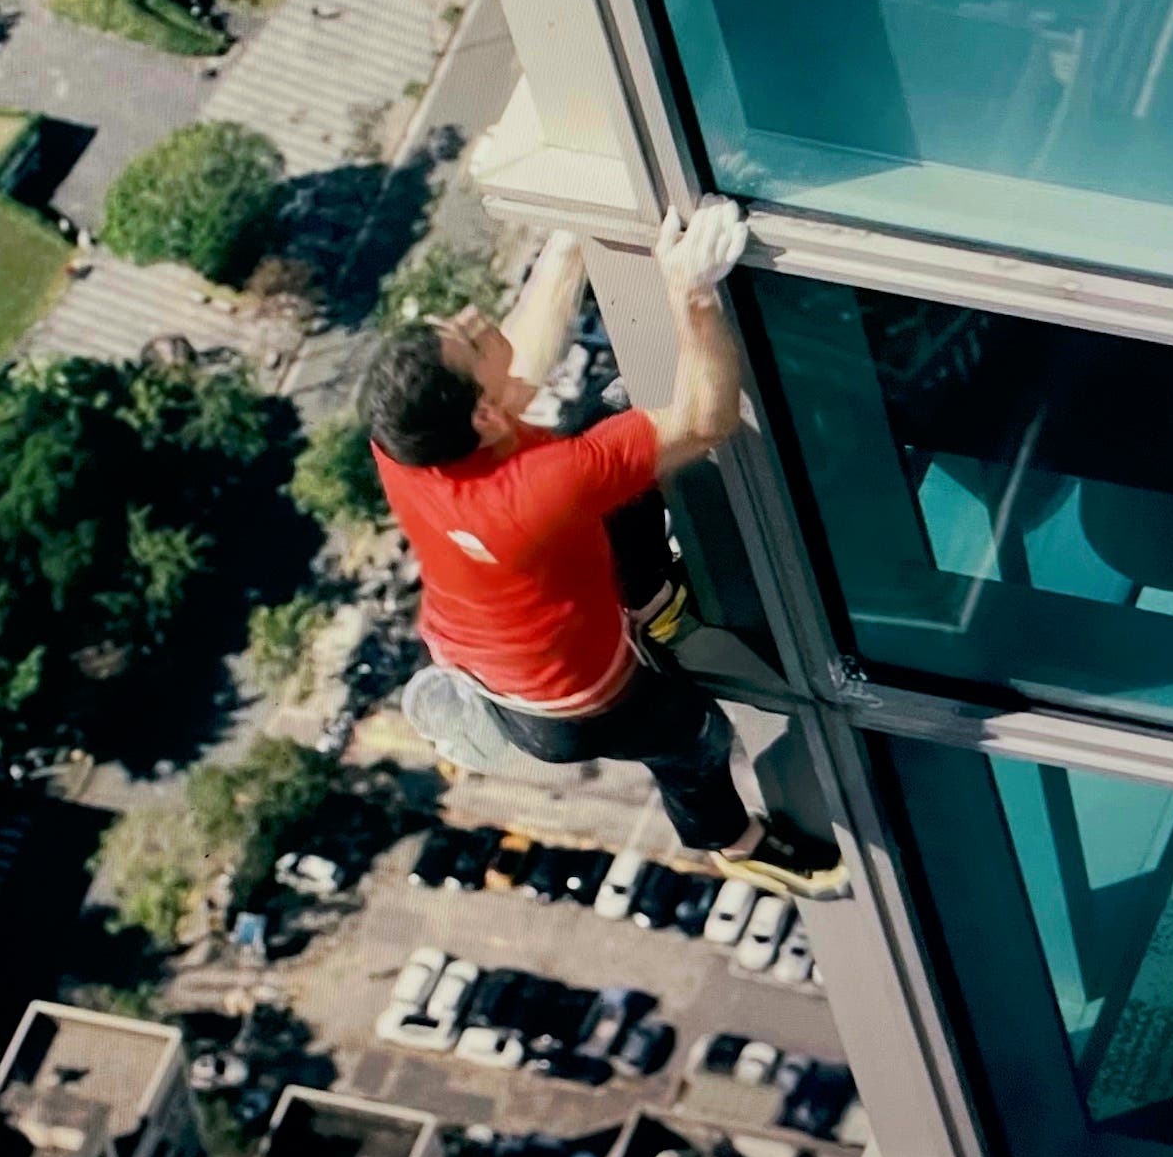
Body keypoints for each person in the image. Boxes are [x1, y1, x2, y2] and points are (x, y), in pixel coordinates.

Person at [362, 200, 845, 898]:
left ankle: (647, 598)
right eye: (466, 338)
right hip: (579, 708)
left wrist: (570, 241)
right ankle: (736, 845)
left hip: (494, 641)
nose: (473, 317)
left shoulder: (405, 446)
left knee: (613, 429)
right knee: (693, 742)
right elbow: (705, 420)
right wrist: (694, 295)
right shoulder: (543, 485)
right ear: (485, 418)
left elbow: (516, 376)